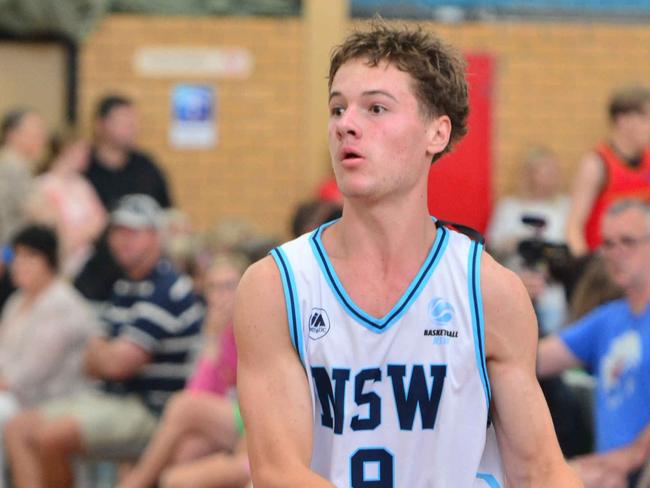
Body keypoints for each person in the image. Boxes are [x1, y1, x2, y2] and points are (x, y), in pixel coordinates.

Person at [235, 22, 580, 487]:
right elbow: (280, 473)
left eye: (376, 107)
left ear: (436, 134)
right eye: (337, 108)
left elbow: (541, 471)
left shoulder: (489, 290)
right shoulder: (276, 286)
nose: (346, 124)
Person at [5, 194, 202, 488]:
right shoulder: (124, 287)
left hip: (149, 408)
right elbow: (94, 361)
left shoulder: (169, 290)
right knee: (17, 429)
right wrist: (105, 354)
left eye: (132, 233)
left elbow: (117, 365)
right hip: (109, 398)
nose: (121, 241)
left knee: (48, 435)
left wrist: (104, 353)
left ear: (154, 237)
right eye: (116, 232)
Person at [538, 199, 650, 487]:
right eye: (608, 244)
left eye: (628, 242)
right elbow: (535, 359)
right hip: (609, 472)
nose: (615, 254)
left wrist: (633, 456)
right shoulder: (609, 319)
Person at [119, 253, 250, 488]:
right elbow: (199, 391)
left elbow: (193, 401)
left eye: (229, 286)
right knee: (182, 456)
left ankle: (134, 484)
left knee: (182, 406)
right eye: (214, 288)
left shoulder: (252, 327)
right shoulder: (212, 328)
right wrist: (212, 339)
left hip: (251, 421)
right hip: (223, 419)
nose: (222, 296)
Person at [0, 225, 96, 486]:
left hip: (52, 398)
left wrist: (4, 384)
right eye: (16, 256)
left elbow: (32, 372)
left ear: (49, 261)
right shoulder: (16, 301)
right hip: (14, 393)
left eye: (30, 257)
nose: (20, 264)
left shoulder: (61, 303)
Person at [486, 146, 570, 334]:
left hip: (552, 287)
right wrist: (517, 243)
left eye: (553, 172)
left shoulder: (564, 207)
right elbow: (491, 247)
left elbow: (569, 247)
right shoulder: (509, 207)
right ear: (530, 174)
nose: (549, 178)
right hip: (515, 282)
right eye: (544, 172)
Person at [566, 85, 650, 257]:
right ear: (624, 120)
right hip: (605, 263)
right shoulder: (596, 165)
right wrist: (585, 269)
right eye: (647, 118)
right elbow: (573, 227)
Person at [26, 131, 107, 278]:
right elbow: (55, 230)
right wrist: (85, 232)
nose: (87, 157)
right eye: (82, 151)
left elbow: (101, 220)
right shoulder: (43, 185)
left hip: (89, 259)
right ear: (66, 151)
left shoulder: (82, 184)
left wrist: (83, 233)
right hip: (63, 262)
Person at [85, 94, 172, 210]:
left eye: (133, 122)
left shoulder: (146, 167)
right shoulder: (83, 167)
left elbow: (167, 210)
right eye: (123, 122)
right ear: (100, 124)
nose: (132, 128)